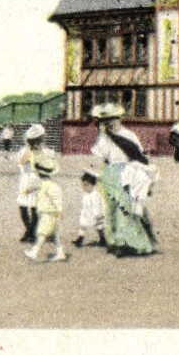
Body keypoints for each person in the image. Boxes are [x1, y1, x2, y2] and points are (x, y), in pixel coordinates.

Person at [89, 101, 157, 256]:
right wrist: (103, 134)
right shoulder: (105, 136)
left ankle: (131, 243)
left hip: (126, 172)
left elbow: (138, 155)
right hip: (109, 172)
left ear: (119, 118)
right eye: (106, 119)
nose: (110, 122)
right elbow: (102, 153)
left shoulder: (128, 135)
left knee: (125, 207)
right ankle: (115, 241)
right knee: (111, 208)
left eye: (113, 118)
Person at [25, 155, 67, 262]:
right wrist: (30, 189)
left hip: (49, 213)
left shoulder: (52, 186)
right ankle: (60, 252)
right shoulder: (45, 184)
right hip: (47, 212)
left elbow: (57, 199)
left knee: (42, 233)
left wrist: (59, 210)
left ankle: (34, 251)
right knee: (54, 234)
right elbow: (38, 186)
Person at [16, 123, 49, 242]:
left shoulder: (45, 152)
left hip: (37, 178)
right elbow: (22, 162)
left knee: (35, 206)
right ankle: (29, 229)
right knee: (22, 206)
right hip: (25, 179)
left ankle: (32, 231)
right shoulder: (24, 151)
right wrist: (31, 150)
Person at [74, 169, 106, 248]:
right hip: (87, 214)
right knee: (83, 225)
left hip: (95, 214)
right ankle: (80, 239)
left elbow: (97, 205)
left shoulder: (95, 195)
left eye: (86, 185)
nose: (84, 187)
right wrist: (83, 213)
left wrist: (97, 214)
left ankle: (103, 239)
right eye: (83, 185)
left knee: (99, 227)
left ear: (92, 185)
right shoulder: (86, 195)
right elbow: (85, 205)